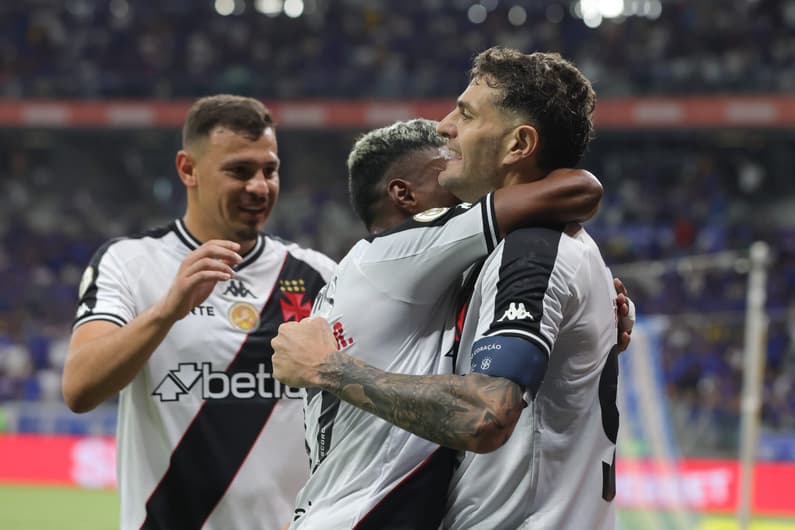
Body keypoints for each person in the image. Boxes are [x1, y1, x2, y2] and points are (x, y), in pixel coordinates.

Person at [272, 48, 627, 529]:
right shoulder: (418, 259)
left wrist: (328, 368)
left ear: (518, 144)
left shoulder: (531, 250)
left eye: (465, 113)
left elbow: (484, 414)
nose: (445, 127)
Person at [61, 95, 337, 530]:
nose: (260, 186)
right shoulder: (130, 263)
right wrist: (166, 312)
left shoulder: (318, 275)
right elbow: (79, 388)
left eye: (270, 169)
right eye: (240, 171)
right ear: (188, 169)